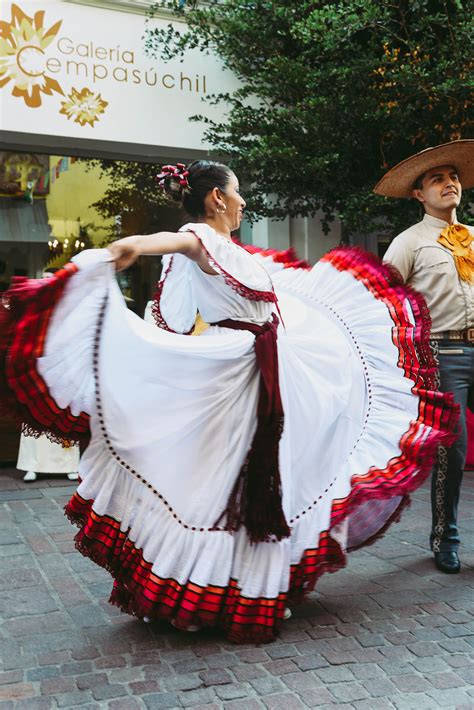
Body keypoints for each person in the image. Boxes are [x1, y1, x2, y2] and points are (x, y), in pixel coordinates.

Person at [0, 160, 457, 643]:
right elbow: (169, 255)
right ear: (217, 197)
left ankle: (235, 588)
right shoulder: (201, 238)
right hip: (241, 374)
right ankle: (213, 592)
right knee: (234, 483)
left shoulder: (231, 249)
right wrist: (125, 248)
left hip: (268, 369)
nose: (243, 201)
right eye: (237, 192)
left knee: (258, 479)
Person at [376, 139, 474, 574]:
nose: (448, 183)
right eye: (437, 179)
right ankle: (445, 538)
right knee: (452, 450)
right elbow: (382, 299)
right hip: (443, 352)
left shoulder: (473, 236)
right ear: (419, 194)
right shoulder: (407, 242)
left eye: (452, 177)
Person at [16, 269, 80, 483]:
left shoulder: (68, 309)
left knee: (61, 415)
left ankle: (69, 465)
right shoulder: (31, 309)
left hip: (61, 368)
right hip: (36, 367)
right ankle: (31, 465)